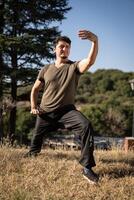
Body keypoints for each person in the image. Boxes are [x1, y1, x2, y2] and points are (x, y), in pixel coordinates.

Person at [25, 29, 99, 184]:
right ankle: (32, 154)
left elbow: (89, 61)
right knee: (34, 146)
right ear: (55, 49)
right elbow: (35, 89)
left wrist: (94, 41)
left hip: (67, 111)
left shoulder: (74, 67)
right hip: (45, 112)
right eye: (61, 46)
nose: (64, 48)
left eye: (67, 46)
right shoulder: (46, 69)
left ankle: (87, 167)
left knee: (86, 126)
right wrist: (33, 106)